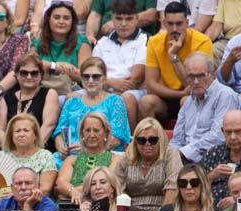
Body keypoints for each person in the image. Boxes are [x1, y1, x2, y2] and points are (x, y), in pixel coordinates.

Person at [141, 1, 214, 123]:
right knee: (147, 101)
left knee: (186, 101)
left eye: (179, 24)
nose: (174, 29)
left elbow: (194, 84)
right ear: (164, 23)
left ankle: (190, 140)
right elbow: (150, 85)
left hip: (194, 96)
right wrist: (179, 94)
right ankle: (150, 138)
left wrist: (173, 56)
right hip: (166, 98)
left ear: (187, 23)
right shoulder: (154, 42)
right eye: (170, 24)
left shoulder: (202, 42)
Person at [172, 53, 241, 164]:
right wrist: (169, 154)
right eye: (191, 76)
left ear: (212, 74)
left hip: (215, 160)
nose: (195, 81)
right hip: (185, 160)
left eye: (201, 75)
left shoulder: (225, 96)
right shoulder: (188, 103)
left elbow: (219, 137)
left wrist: (183, 152)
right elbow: (177, 139)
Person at [114, 116, 181, 211]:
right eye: (141, 140)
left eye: (153, 140)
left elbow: (173, 188)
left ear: (160, 140)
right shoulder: (127, 157)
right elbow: (117, 188)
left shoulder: (171, 154)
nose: (147, 144)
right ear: (135, 142)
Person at [91, 0, 149, 129]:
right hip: (103, 88)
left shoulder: (145, 40)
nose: (123, 24)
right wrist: (109, 83)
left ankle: (130, 142)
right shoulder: (102, 42)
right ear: (112, 18)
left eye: (129, 19)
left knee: (126, 98)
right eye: (119, 18)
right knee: (72, 97)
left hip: (135, 92)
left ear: (137, 18)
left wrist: (109, 90)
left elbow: (135, 80)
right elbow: (91, 74)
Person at [55, 57, 132, 154]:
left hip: (104, 156)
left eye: (95, 76)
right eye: (86, 77)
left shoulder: (115, 101)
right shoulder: (71, 102)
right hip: (70, 156)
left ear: (104, 79)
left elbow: (117, 139)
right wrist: (61, 148)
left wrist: (87, 149)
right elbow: (59, 132)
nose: (90, 80)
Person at [0, 54, 61, 148]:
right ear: (16, 75)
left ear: (41, 75)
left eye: (34, 73)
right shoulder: (7, 98)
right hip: (10, 151)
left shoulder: (49, 94)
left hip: (39, 150)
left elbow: (49, 125)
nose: (29, 77)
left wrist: (29, 150)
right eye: (24, 73)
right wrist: (11, 149)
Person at [56, 112, 121, 200]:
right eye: (87, 130)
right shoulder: (71, 160)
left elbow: (106, 186)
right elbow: (60, 184)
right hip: (72, 207)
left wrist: (68, 192)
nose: (91, 135)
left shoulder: (115, 159)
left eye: (96, 130)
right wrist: (73, 192)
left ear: (106, 133)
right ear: (82, 134)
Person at [31, 2, 91, 94]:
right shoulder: (38, 42)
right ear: (48, 20)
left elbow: (86, 75)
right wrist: (55, 66)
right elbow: (30, 67)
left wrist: (47, 66)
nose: (61, 21)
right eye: (56, 17)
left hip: (71, 93)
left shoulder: (82, 42)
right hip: (41, 91)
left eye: (66, 18)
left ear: (72, 21)